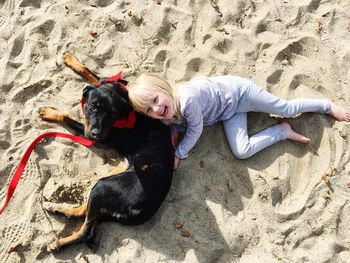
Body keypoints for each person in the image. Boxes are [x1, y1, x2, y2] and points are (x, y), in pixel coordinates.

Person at [127, 74, 350, 169]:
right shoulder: (165, 114)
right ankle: (282, 131)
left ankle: (325, 106)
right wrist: (174, 132)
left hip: (240, 94)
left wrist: (180, 153)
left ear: (164, 87)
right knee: (242, 151)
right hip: (229, 113)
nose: (157, 109)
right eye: (150, 109)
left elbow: (195, 129)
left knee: (286, 108)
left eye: (156, 99)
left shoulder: (187, 100)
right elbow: (176, 124)